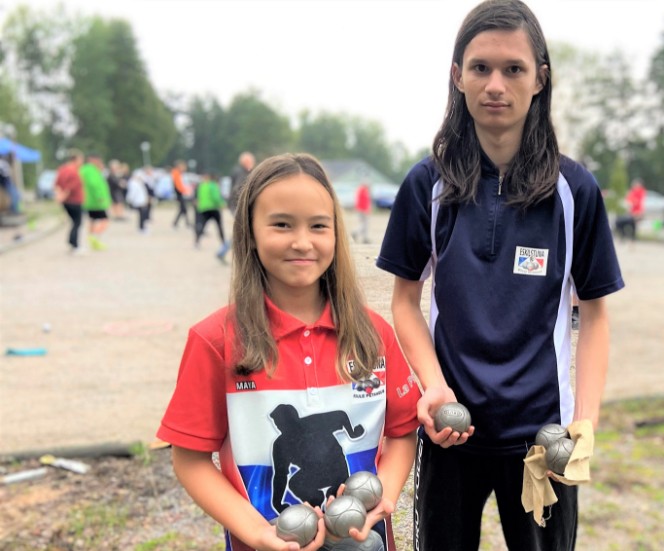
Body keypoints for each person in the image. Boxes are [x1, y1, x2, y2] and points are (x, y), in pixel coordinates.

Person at [376, 2, 624, 549]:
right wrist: (434, 386)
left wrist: (585, 423)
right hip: (450, 433)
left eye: (513, 68)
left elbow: (596, 314)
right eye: (480, 67)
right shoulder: (428, 185)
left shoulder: (573, 191)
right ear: (457, 76)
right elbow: (404, 301)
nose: (495, 84)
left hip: (541, 441)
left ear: (540, 78)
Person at [157, 153, 421, 551]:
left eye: (318, 226)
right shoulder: (215, 340)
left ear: (336, 233)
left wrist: (384, 495)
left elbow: (403, 434)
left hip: (361, 539)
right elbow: (190, 460)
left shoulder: (373, 335)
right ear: (250, 231)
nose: (302, 242)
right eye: (281, 224)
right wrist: (259, 532)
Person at [53, 149, 86, 254]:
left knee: (74, 222)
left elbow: (57, 184)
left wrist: (59, 196)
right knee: (77, 222)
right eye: (81, 160)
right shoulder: (74, 172)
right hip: (74, 201)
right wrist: (62, 196)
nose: (82, 163)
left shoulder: (62, 169)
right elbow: (70, 188)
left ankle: (72, 242)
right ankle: (74, 244)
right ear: (75, 160)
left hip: (66, 202)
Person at [193, 171, 230, 263]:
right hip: (213, 208)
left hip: (203, 208)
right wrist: (222, 204)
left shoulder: (202, 185)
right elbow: (215, 197)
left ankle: (197, 241)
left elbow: (198, 196)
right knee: (219, 225)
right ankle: (223, 242)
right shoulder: (213, 185)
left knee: (203, 224)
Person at [79, 155, 112, 251]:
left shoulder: (86, 170)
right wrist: (100, 197)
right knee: (105, 221)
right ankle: (93, 237)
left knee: (93, 220)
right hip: (95, 202)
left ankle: (93, 239)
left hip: (89, 200)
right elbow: (94, 185)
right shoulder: (91, 170)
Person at [126, 164, 151, 234]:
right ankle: (141, 228)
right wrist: (129, 200)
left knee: (142, 215)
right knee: (141, 215)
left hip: (142, 201)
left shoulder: (139, 182)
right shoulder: (133, 183)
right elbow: (132, 193)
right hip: (138, 201)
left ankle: (142, 227)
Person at [228, 151, 255, 215]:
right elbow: (238, 188)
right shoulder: (240, 172)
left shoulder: (250, 171)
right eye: (249, 162)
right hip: (239, 203)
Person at [171, 160, 192, 229]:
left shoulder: (178, 173)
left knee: (183, 209)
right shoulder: (176, 173)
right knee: (183, 208)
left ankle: (184, 223)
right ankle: (184, 223)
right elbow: (178, 185)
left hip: (180, 192)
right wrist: (185, 191)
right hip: (179, 193)